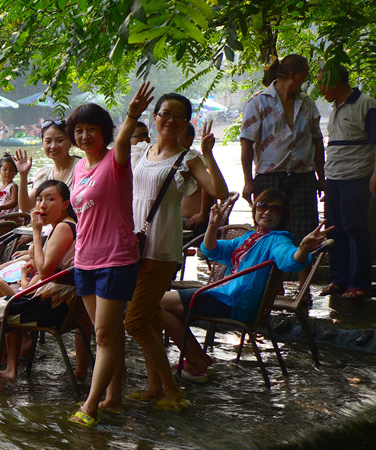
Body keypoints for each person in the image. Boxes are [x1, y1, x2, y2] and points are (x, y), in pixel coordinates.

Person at [124, 91, 228, 411]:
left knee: (135, 322)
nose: (170, 120)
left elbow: (219, 191)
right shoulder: (141, 151)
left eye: (178, 116)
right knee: (151, 319)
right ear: (154, 117)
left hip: (162, 248)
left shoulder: (188, 158)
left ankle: (172, 391)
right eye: (165, 114)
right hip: (133, 246)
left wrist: (208, 154)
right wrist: (131, 115)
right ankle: (155, 386)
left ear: (186, 122)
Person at [161, 189, 332, 380]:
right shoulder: (249, 237)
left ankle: (195, 360)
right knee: (159, 306)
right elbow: (212, 250)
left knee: (157, 304)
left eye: (275, 209)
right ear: (255, 209)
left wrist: (303, 248)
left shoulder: (278, 240)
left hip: (235, 302)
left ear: (283, 216)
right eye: (262, 206)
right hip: (223, 296)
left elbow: (290, 259)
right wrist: (212, 225)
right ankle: (196, 359)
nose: (267, 212)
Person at [66, 85, 149, 428]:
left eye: (92, 129)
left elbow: (125, 139)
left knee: (102, 334)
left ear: (104, 132)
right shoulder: (78, 169)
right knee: (108, 334)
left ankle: (90, 406)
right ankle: (113, 396)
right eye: (79, 130)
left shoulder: (116, 161)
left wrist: (132, 115)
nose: (85, 136)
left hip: (116, 258)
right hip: (84, 260)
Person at [0, 180, 77, 392]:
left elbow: (44, 271)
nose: (42, 205)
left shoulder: (63, 227)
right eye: (39, 199)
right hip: (56, 301)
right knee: (0, 294)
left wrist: (36, 232)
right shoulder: (64, 225)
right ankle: (6, 365)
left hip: (50, 305)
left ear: (65, 204)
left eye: (50, 199)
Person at [240, 54, 325, 291]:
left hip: (302, 176)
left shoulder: (307, 104)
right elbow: (247, 143)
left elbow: (317, 142)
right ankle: (269, 287)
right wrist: (248, 181)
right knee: (268, 231)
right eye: (305, 74)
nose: (307, 79)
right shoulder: (258, 102)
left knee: (305, 230)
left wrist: (321, 178)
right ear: (293, 75)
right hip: (270, 176)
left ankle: (303, 289)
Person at [317, 64, 376, 300]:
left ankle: (359, 283)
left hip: (357, 176)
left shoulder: (366, 104)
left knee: (355, 227)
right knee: (334, 229)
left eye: (322, 83)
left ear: (334, 81)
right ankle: (339, 280)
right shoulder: (334, 109)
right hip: (334, 178)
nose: (320, 89)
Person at [14, 119, 79, 213]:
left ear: (70, 142)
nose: (53, 146)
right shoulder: (44, 175)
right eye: (48, 141)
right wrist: (23, 175)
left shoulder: (82, 168)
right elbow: (25, 207)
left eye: (59, 140)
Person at [179, 123, 214, 237]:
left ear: (189, 139)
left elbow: (209, 187)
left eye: (177, 134)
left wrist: (202, 214)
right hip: (178, 219)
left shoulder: (193, 159)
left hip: (192, 222)